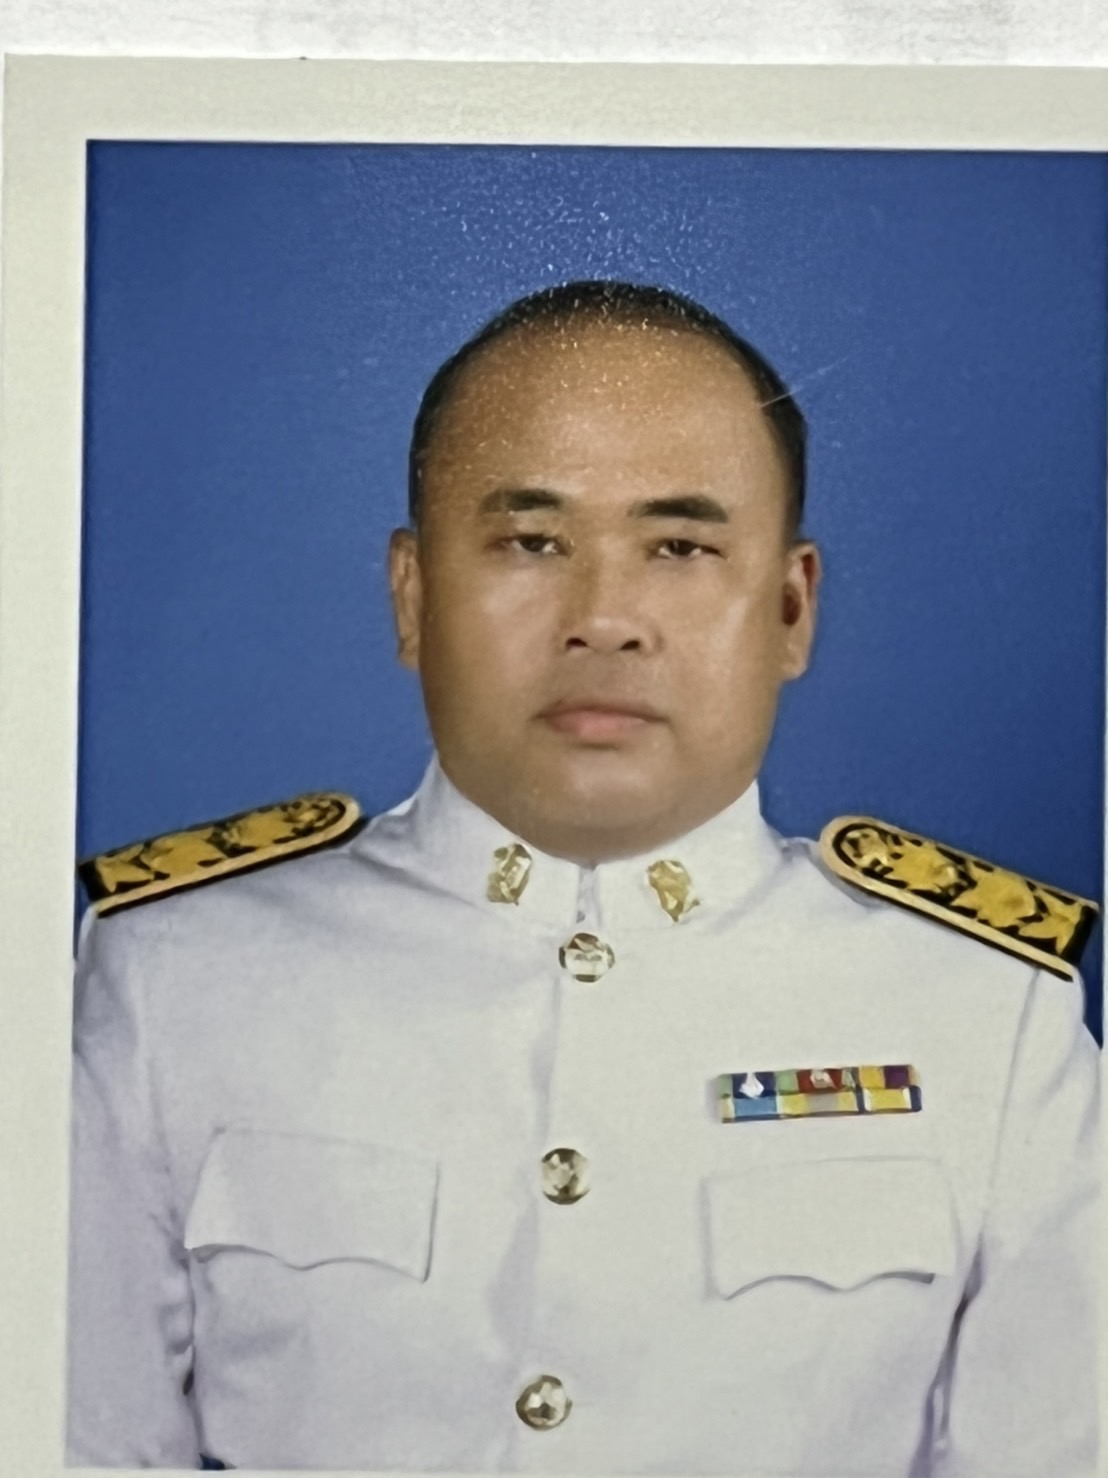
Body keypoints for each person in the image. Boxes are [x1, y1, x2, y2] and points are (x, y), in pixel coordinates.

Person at [66, 280, 1099, 1475]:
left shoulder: (987, 1015)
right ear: (413, 595)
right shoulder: (170, 980)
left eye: (680, 546)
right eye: (531, 542)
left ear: (789, 608)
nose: (604, 619)